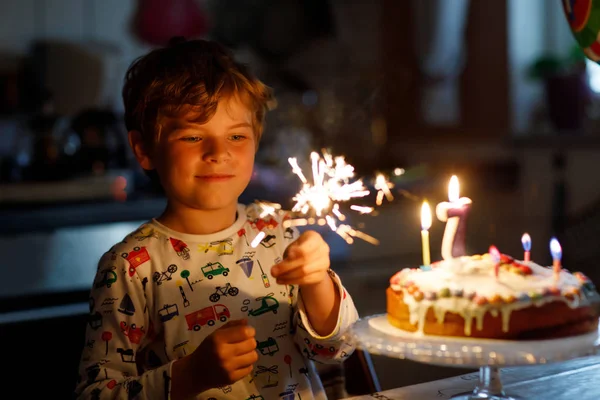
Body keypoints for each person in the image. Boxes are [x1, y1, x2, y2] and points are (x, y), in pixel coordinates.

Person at [74, 37, 359, 400]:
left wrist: (317, 281)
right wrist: (191, 375)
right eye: (193, 137)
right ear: (145, 149)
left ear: (256, 140)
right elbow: (94, 394)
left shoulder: (279, 229)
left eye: (236, 136)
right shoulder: (129, 267)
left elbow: (337, 349)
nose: (218, 152)